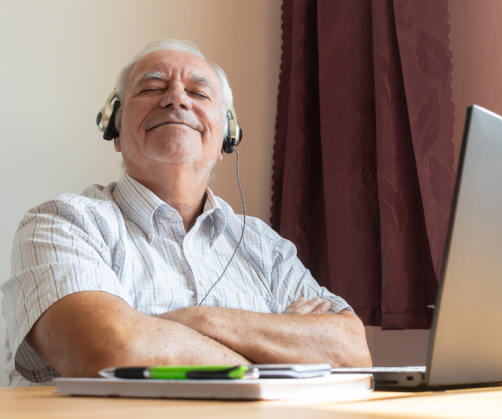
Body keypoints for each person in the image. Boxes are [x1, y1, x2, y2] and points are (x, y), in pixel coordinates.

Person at [1, 39, 371, 387]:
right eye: (151, 88)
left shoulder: (266, 247)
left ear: (228, 136)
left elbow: (352, 351)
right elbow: (114, 354)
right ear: (114, 128)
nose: (176, 98)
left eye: (198, 92)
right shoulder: (59, 224)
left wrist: (193, 319)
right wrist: (281, 349)